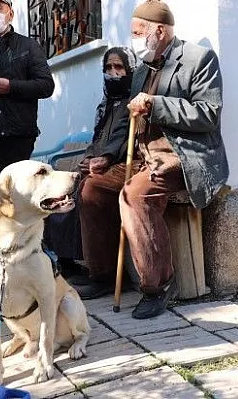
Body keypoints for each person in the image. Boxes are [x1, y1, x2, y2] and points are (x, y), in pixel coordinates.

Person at [75, 0, 229, 320]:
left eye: (136, 32)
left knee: (135, 195)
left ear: (158, 31)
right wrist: (104, 156)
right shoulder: (142, 67)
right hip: (144, 157)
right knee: (93, 187)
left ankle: (158, 286)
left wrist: (157, 104)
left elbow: (208, 115)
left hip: (182, 157)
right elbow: (126, 119)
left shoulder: (199, 60)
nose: (132, 39)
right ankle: (101, 274)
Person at [44, 46, 137, 280]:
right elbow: (98, 137)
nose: (113, 72)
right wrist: (88, 158)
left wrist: (104, 158)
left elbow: (124, 138)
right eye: (108, 67)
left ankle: (101, 273)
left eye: (119, 67)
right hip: (99, 162)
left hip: (122, 163)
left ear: (130, 70)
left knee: (89, 190)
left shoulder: (134, 103)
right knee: (61, 192)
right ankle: (65, 260)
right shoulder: (106, 104)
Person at [0, 0, 55, 188]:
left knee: (14, 192)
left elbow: (46, 85)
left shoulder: (28, 46)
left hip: (16, 134)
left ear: (10, 13)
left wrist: (11, 87)